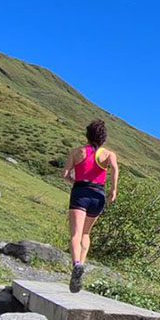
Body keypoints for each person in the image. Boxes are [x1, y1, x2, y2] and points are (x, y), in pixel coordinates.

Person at [64, 119, 119, 292]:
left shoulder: (76, 152)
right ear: (104, 138)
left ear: (87, 135)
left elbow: (65, 174)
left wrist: (75, 181)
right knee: (86, 233)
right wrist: (113, 190)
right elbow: (115, 169)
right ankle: (82, 263)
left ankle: (77, 264)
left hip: (80, 193)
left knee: (75, 233)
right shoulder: (109, 155)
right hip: (98, 195)